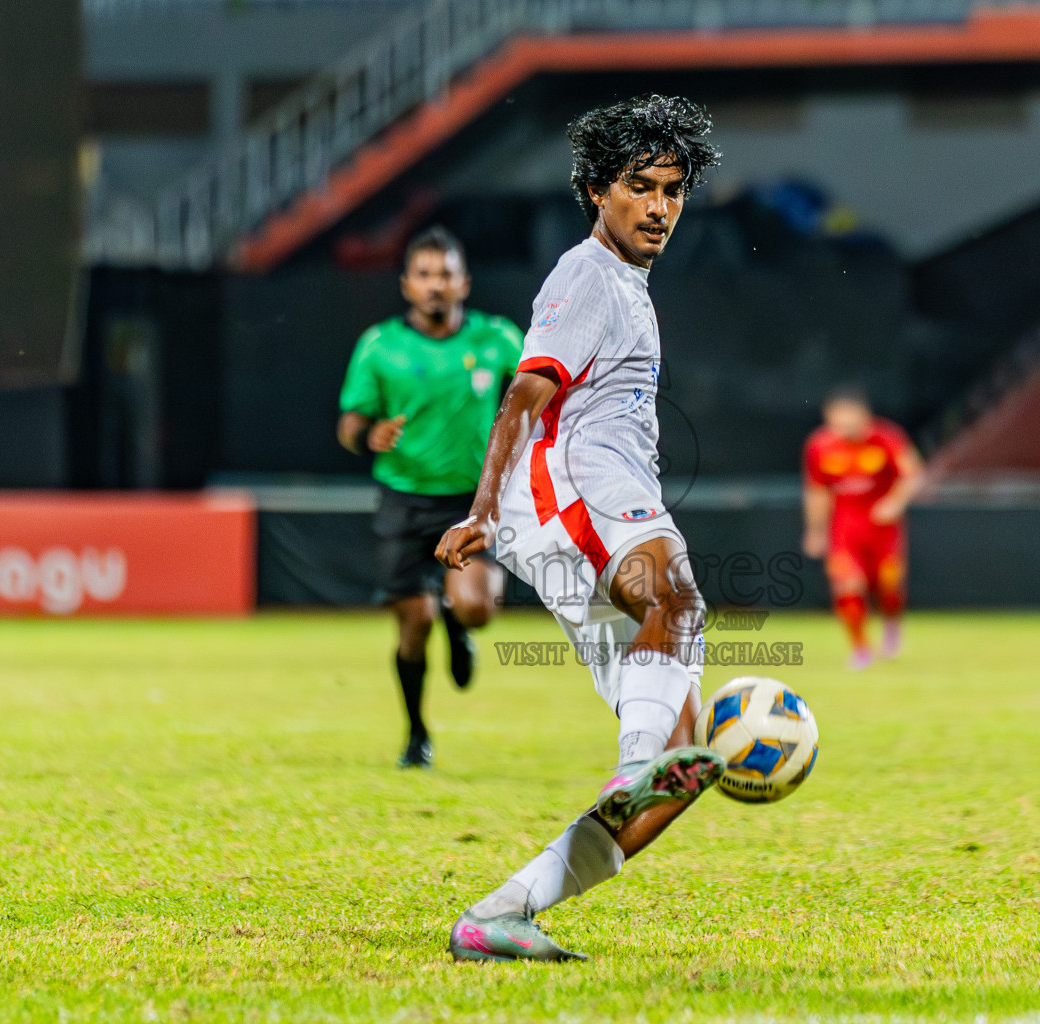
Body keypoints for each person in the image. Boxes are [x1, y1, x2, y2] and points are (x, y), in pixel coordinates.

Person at [434, 95, 723, 962]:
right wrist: (484, 508)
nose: (660, 207)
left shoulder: (627, 285)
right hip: (570, 491)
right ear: (598, 190)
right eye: (640, 187)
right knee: (673, 596)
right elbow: (528, 391)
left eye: (673, 190)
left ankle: (501, 915)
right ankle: (633, 763)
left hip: (600, 497)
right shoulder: (587, 275)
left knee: (688, 758)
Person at [336, 226, 521, 768]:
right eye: (424, 275)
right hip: (403, 499)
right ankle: (417, 734)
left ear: (463, 282)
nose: (435, 284)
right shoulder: (380, 346)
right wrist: (367, 436)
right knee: (412, 623)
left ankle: (460, 625)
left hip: (471, 502)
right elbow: (349, 422)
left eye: (445, 274)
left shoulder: (499, 340)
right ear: (406, 285)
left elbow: (539, 401)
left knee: (476, 608)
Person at [802, 386, 923, 669]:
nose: (843, 428)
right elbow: (816, 491)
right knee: (848, 585)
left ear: (864, 415)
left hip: (883, 528)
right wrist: (815, 529)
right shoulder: (819, 446)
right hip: (845, 529)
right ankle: (861, 649)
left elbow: (913, 473)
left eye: (849, 420)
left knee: (888, 585)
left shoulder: (887, 437)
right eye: (837, 421)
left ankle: (892, 625)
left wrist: (894, 502)